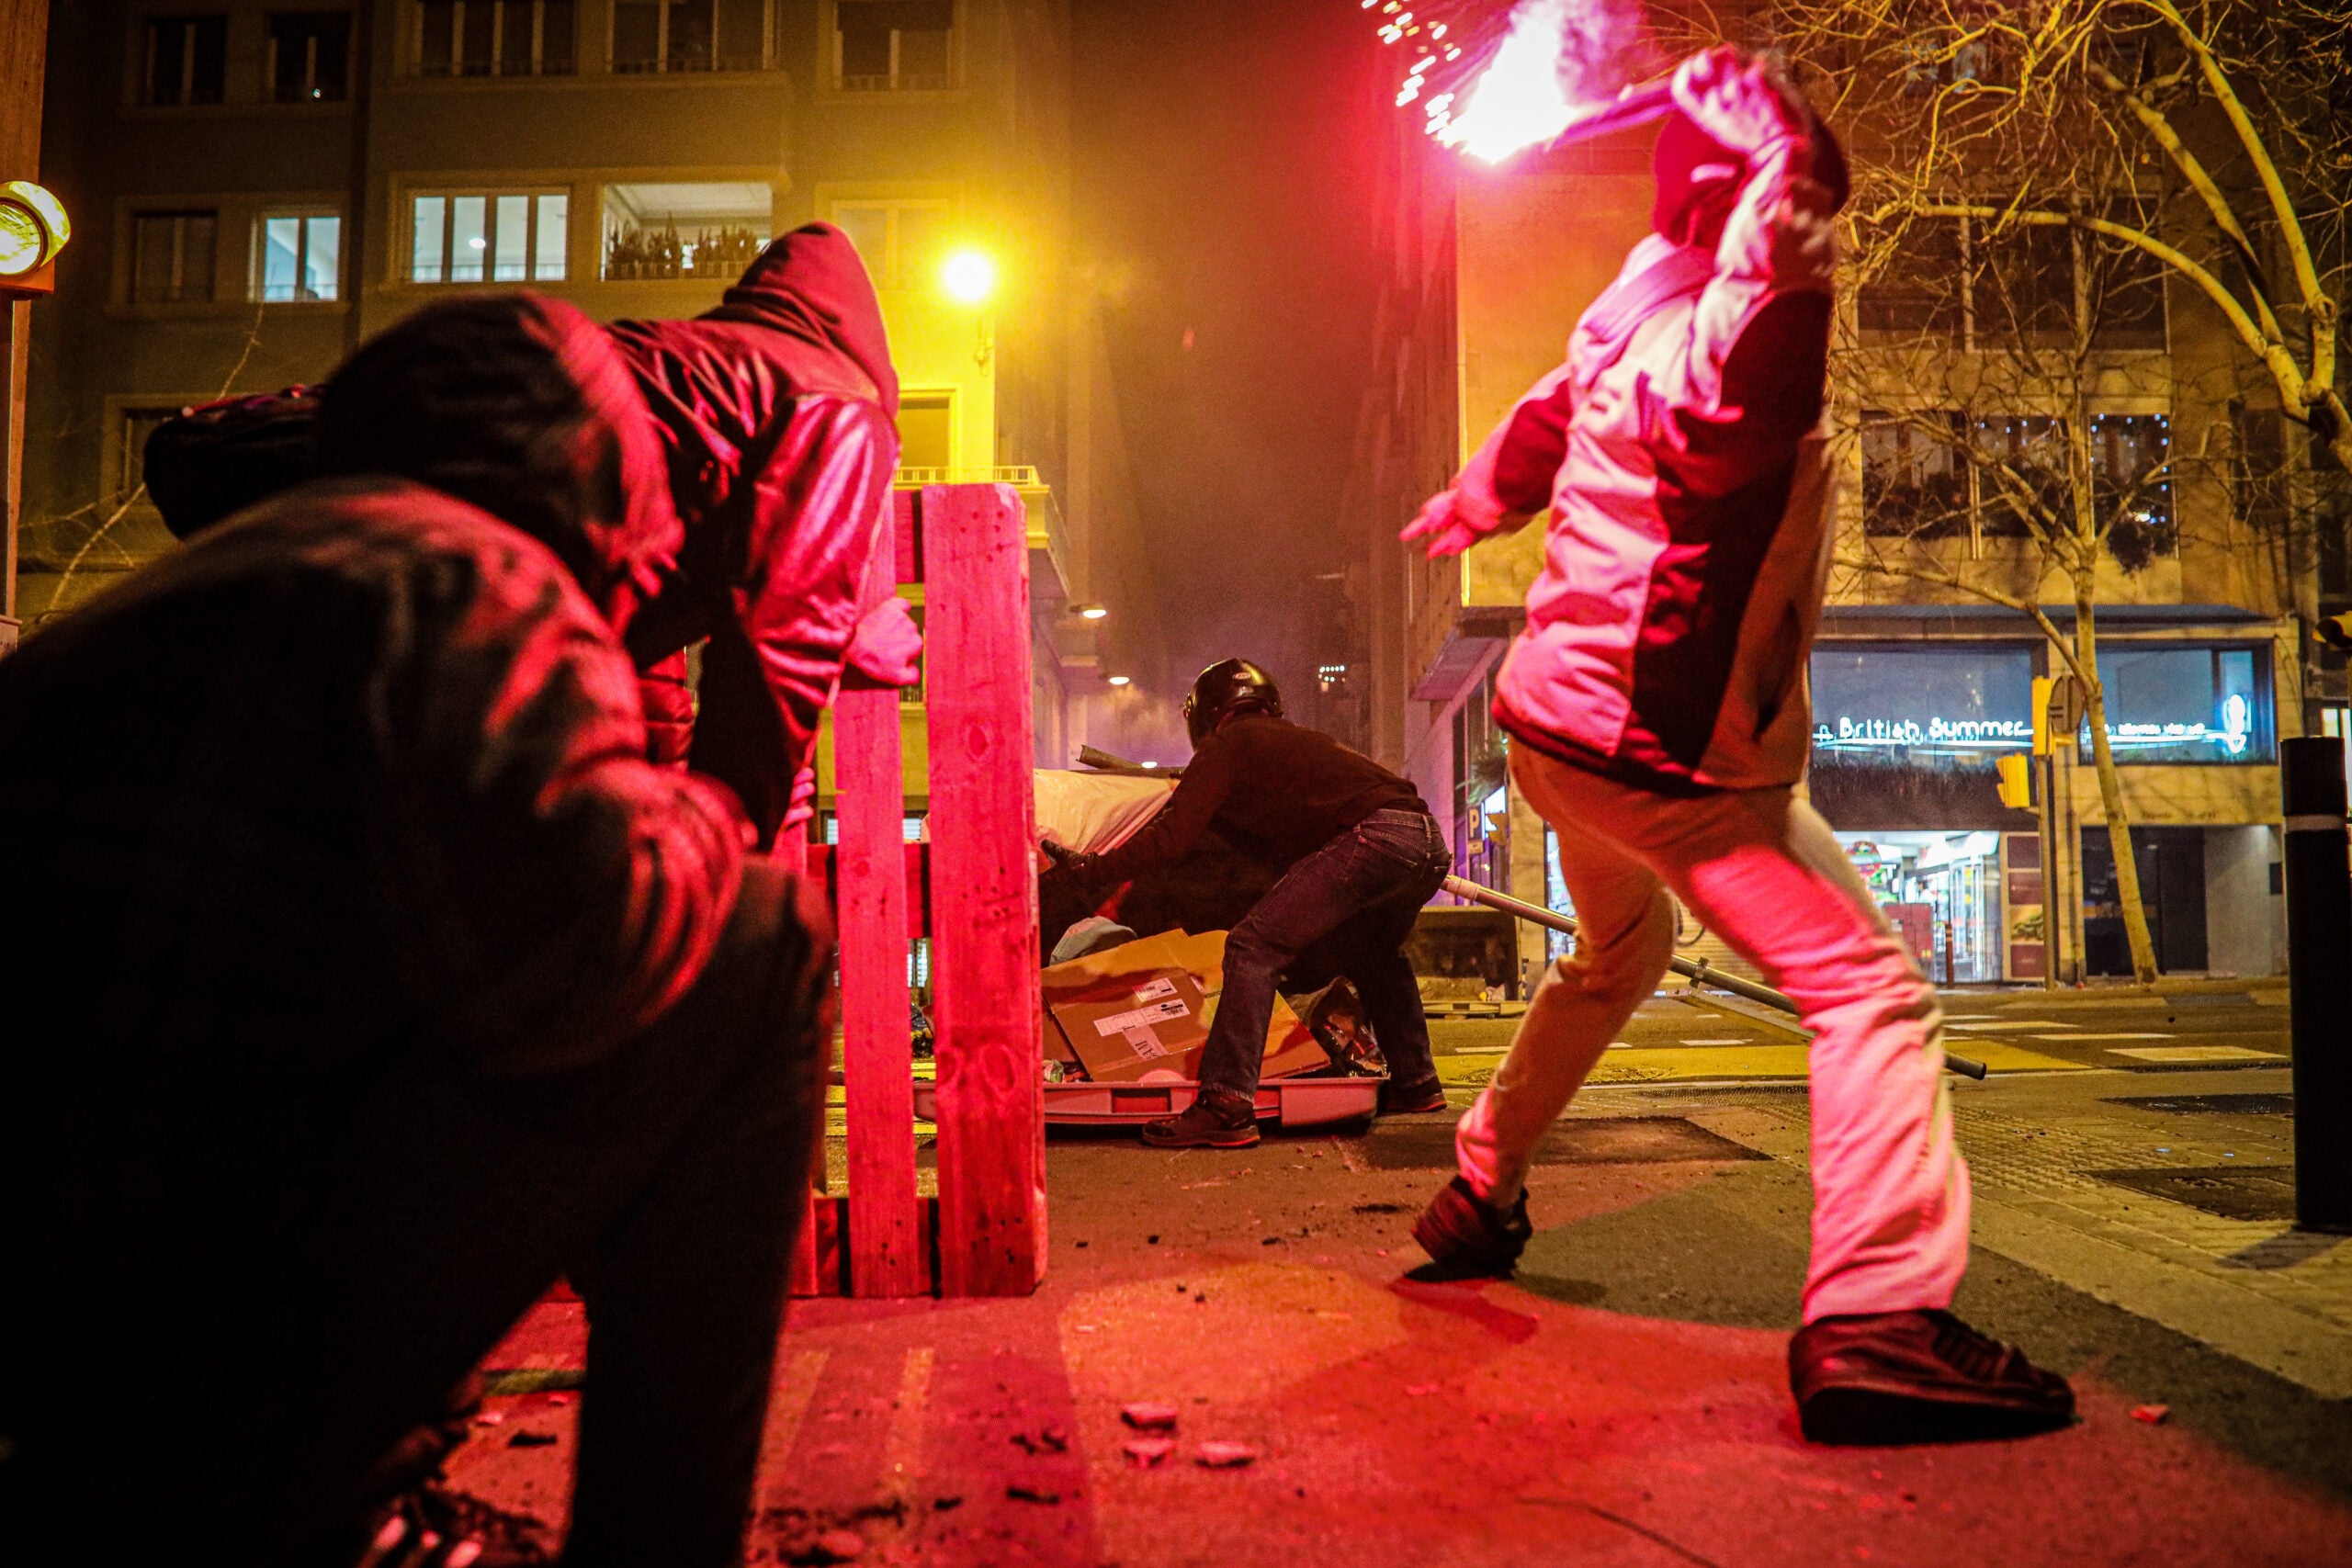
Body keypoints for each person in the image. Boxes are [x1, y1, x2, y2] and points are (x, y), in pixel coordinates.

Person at [0, 294, 830, 1565]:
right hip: (139, 1434)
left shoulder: (150, 610)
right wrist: (706, 808)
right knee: (753, 937)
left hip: (38, 1369)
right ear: (598, 476)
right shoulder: (466, 574)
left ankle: (341, 1505)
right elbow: (577, 968)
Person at [1398, 47, 2075, 1445]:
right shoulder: (1731, 343)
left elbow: (1540, 416)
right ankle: (1880, 1314)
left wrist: (1482, 490)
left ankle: (1480, 1181)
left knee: (1616, 954)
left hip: (1552, 737)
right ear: (1767, 212)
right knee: (1872, 995)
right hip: (1672, 762)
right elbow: (1754, 362)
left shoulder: (1626, 323)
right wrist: (1788, 148)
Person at [1044, 659, 1452, 1149]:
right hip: (1425, 843)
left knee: (1252, 949)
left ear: (1206, 713)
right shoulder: (1290, 745)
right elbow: (1274, 857)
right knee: (1376, 955)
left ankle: (1225, 1104)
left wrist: (1093, 867)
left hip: (1376, 839)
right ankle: (1417, 1083)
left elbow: (1171, 838)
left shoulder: (1230, 743)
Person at [608, 222, 922, 847]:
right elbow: (782, 639)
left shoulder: (688, 384)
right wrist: (722, 849)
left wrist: (684, 804)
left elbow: (639, 632)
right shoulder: (837, 402)